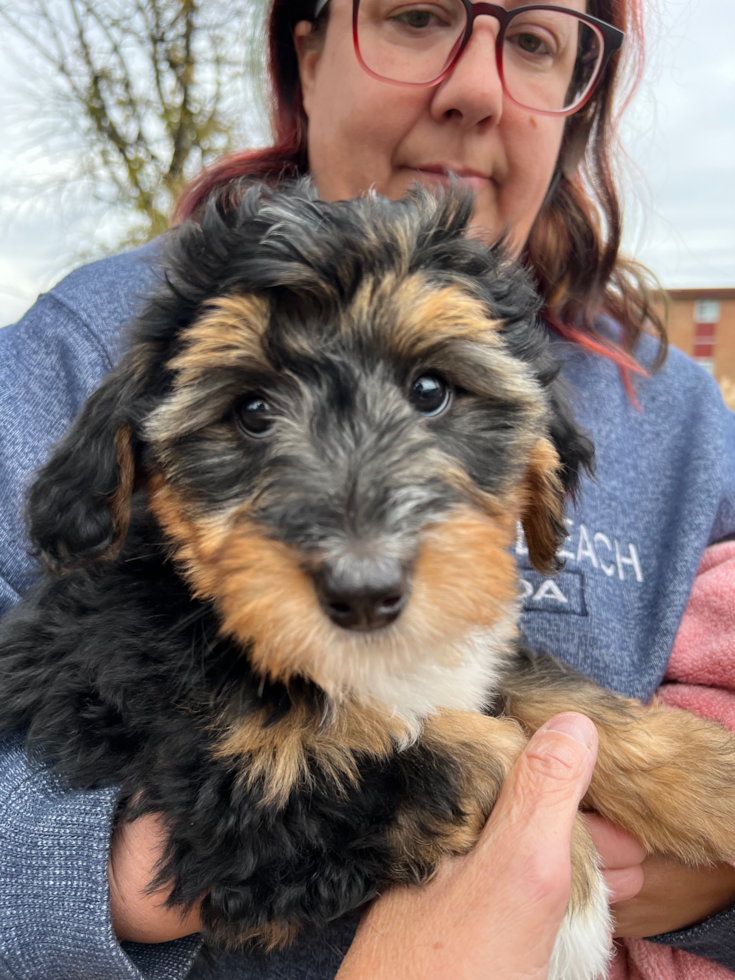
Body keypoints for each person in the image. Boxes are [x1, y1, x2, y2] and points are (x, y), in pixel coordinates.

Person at [1, 0, 734, 977]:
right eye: (417, 15)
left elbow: (469, 675)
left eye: (532, 40)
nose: (475, 88)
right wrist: (115, 872)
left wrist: (713, 885)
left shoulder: (681, 412)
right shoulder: (80, 344)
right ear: (305, 53)